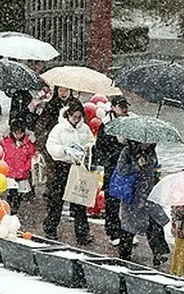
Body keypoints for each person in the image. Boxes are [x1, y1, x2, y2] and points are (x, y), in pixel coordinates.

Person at [43, 102, 95, 245]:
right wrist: (64, 150)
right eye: (74, 117)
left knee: (79, 200)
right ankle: (50, 228)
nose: (77, 119)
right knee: (57, 199)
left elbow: (91, 141)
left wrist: (87, 148)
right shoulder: (59, 128)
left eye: (79, 117)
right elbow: (51, 145)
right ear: (68, 115)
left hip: (78, 166)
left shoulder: (85, 129)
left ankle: (82, 233)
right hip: (62, 166)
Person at [116, 140, 170, 266]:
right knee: (128, 227)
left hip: (149, 194)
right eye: (145, 142)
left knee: (155, 223)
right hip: (133, 195)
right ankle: (124, 255)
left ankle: (158, 254)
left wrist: (157, 176)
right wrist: (136, 165)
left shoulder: (151, 152)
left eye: (150, 142)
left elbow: (154, 167)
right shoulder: (127, 151)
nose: (147, 144)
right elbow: (121, 170)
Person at [94, 95, 131, 246]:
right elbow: (101, 147)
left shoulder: (131, 123)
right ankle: (113, 231)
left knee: (127, 199)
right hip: (112, 166)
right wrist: (115, 150)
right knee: (112, 200)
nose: (124, 110)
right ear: (114, 107)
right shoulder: (106, 124)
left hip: (127, 167)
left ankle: (127, 230)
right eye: (121, 107)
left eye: (125, 107)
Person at [34, 86, 82, 195]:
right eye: (60, 90)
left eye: (66, 90)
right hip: (55, 139)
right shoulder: (51, 104)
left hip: (72, 140)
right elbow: (42, 123)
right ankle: (52, 190)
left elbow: (82, 121)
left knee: (72, 170)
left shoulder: (76, 103)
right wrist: (41, 139)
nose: (63, 93)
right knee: (53, 169)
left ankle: (71, 192)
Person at [0, 119, 36, 213]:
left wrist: (25, 168)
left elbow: (31, 158)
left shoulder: (29, 144)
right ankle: (8, 210)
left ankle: (13, 211)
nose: (18, 135)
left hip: (22, 174)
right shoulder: (5, 142)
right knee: (11, 193)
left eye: (20, 133)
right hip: (9, 173)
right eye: (16, 133)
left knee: (18, 195)